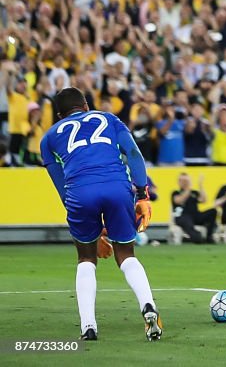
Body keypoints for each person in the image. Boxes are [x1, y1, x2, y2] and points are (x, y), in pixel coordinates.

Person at [39, 87, 163, 341]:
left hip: (79, 192)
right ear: (86, 106)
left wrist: (92, 235)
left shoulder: (49, 137)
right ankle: (148, 307)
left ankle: (88, 327)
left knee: (85, 258)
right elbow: (133, 154)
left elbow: (61, 184)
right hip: (116, 186)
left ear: (60, 115)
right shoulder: (109, 118)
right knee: (126, 254)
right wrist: (142, 195)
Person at [171, 172, 217, 244]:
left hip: (195, 216)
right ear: (179, 182)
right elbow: (179, 200)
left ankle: (209, 236)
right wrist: (188, 188)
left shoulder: (194, 192)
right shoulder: (176, 192)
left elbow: (204, 200)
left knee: (213, 211)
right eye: (182, 181)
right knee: (187, 223)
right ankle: (197, 237)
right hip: (182, 216)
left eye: (186, 181)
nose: (184, 183)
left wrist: (200, 185)